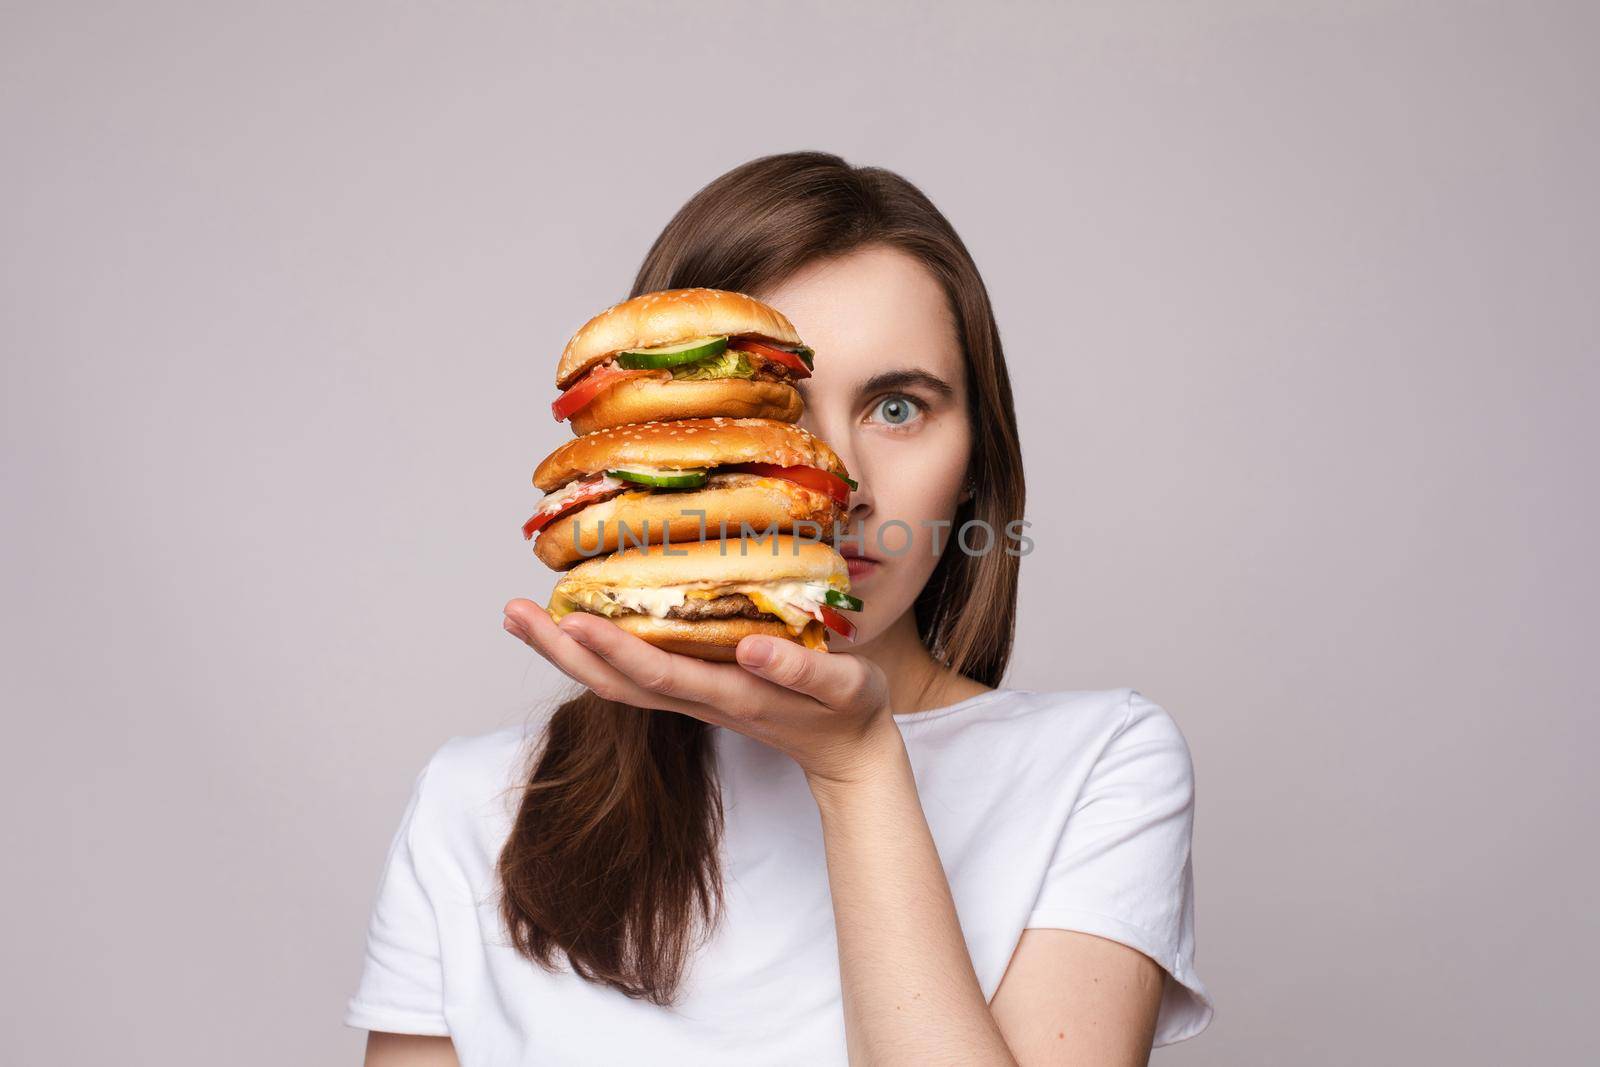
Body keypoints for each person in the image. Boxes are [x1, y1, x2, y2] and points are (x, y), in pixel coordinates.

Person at [345, 151, 1214, 1065]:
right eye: (775, 407)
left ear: (977, 461)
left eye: (896, 407)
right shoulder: (480, 805)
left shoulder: (1100, 768)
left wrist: (858, 770)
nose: (838, 484)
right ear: (643, 437)